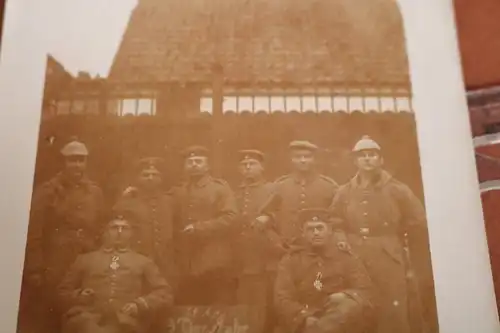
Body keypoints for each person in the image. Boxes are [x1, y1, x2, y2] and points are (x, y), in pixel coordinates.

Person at [328, 135, 429, 333]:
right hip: (355, 256)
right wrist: (340, 238)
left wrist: (404, 245)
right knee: (358, 305)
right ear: (355, 161)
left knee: (392, 307)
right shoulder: (344, 191)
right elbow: (334, 220)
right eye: (362, 155)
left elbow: (418, 222)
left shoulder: (398, 189)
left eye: (372, 155)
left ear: (380, 160)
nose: (367, 159)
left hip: (389, 255)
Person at [20, 137, 104, 332]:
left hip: (84, 260)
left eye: (81, 160)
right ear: (63, 163)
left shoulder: (95, 192)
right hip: (55, 264)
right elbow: (34, 233)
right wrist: (35, 269)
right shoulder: (48, 191)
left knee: (80, 316)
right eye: (71, 160)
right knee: (51, 316)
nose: (77, 165)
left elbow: (100, 228)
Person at [57, 216, 172, 333]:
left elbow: (164, 293)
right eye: (114, 228)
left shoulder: (143, 262)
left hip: (126, 322)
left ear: (131, 233)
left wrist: (138, 305)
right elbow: (62, 292)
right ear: (105, 232)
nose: (119, 232)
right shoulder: (85, 259)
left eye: (125, 228)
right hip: (87, 318)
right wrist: (80, 295)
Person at [274, 208, 375, 333]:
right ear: (303, 234)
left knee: (350, 305)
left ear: (330, 231)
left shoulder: (345, 257)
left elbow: (365, 290)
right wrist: (304, 317)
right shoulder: (291, 260)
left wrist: (345, 295)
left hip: (341, 320)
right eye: (310, 229)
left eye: (320, 228)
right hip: (304, 320)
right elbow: (282, 297)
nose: (316, 233)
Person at [171, 145, 238, 305]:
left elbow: (231, 217)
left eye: (198, 161)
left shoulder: (219, 188)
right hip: (186, 261)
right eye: (190, 161)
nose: (194, 164)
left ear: (208, 166)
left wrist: (199, 228)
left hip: (214, 259)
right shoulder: (178, 191)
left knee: (218, 308)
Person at [235, 149, 283, 333]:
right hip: (243, 256)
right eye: (244, 165)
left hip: (267, 255)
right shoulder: (236, 192)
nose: (248, 168)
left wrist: (269, 218)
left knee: (269, 302)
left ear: (262, 167)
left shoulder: (272, 189)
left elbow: (283, 215)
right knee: (246, 304)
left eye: (252, 164)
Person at [256, 141, 338, 247]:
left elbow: (338, 218)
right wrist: (277, 242)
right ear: (291, 160)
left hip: (320, 248)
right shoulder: (281, 186)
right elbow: (266, 216)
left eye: (307, 157)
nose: (303, 160)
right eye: (298, 157)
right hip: (288, 248)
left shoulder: (328, 186)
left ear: (314, 160)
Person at [113, 157, 176, 287]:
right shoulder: (128, 202)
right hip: (138, 260)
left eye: (154, 175)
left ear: (161, 178)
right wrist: (123, 199)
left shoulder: (170, 201)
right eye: (145, 175)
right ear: (137, 178)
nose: (150, 178)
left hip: (166, 262)